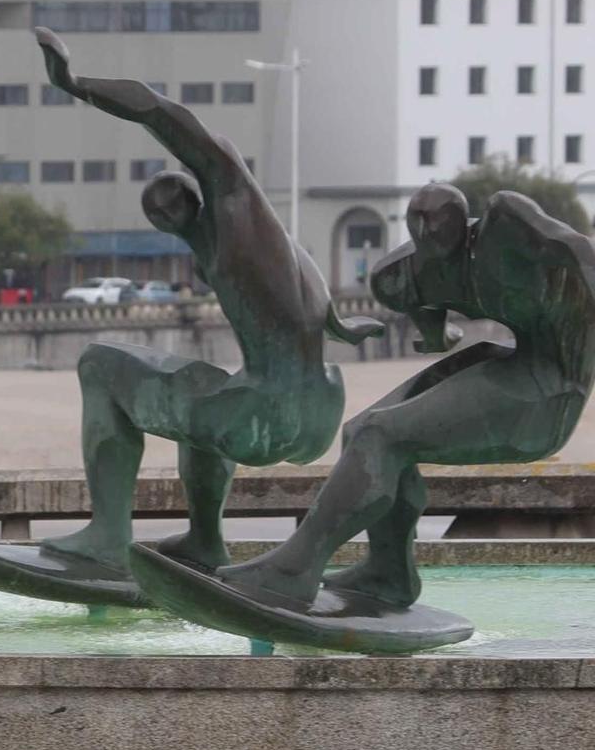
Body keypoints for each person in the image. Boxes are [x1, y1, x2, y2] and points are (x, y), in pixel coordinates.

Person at [32, 28, 381, 575]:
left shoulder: (232, 194)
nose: (166, 220)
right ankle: (204, 540)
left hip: (264, 414)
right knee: (203, 386)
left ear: (196, 190)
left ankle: (107, 534)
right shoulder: (273, 248)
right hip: (315, 410)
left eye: (166, 207)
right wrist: (345, 328)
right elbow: (318, 311)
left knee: (98, 364)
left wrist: (75, 84)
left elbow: (157, 110)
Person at [219, 184, 595, 609]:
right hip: (510, 363)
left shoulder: (506, 226)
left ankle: (292, 569)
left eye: (437, 227)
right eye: (420, 229)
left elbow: (576, 250)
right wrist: (435, 334)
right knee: (360, 432)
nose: (429, 235)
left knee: (383, 436)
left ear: (462, 224)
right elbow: (422, 304)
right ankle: (389, 571)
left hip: (551, 392)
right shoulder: (411, 271)